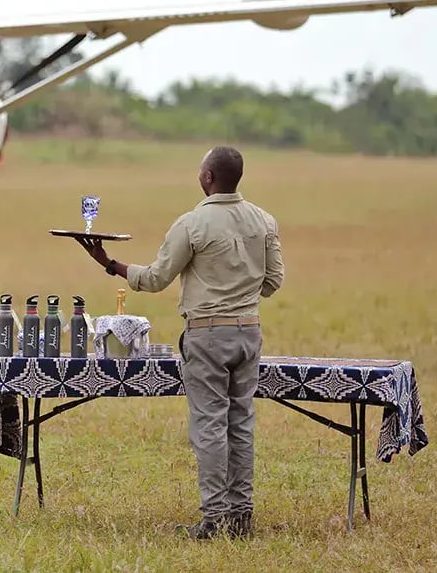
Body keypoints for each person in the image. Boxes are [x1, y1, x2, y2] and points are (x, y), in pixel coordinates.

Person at [76, 145, 284, 540]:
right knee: (241, 424)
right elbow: (273, 282)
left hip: (207, 335)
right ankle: (241, 517)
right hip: (249, 331)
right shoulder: (265, 221)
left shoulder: (192, 224)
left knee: (209, 426)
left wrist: (109, 263)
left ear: (207, 178)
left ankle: (213, 519)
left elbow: (155, 278)